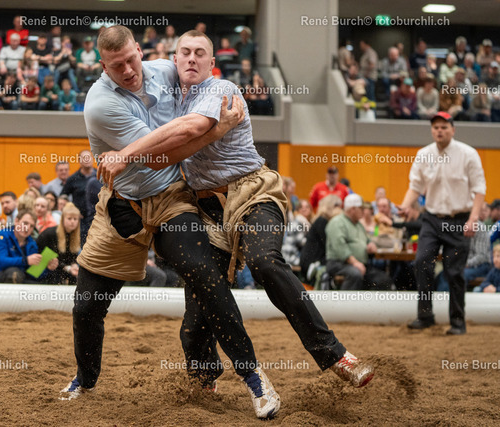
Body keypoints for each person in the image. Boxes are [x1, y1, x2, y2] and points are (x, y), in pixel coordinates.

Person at [98, 30, 375, 396]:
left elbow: (192, 127)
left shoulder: (221, 88)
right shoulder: (169, 104)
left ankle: (337, 355)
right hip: (208, 209)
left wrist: (124, 154)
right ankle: (204, 382)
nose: (192, 58)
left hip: (253, 192)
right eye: (185, 52)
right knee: (200, 302)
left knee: (264, 262)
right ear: (174, 61)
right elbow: (163, 157)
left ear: (212, 63)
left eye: (200, 53)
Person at [60, 26, 280, 420]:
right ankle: (85, 378)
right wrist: (220, 128)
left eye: (131, 59)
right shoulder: (100, 105)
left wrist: (221, 124)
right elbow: (162, 154)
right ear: (103, 67)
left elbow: (196, 105)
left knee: (203, 273)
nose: (128, 70)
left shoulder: (167, 70)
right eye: (117, 66)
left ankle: (253, 377)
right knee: (87, 305)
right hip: (122, 203)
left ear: (140, 50)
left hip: (173, 198)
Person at [399, 112, 486, 335]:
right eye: (436, 127)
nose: (439, 131)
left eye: (444, 127)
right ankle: (425, 316)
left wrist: (473, 219)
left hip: (459, 220)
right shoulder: (423, 154)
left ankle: (457, 322)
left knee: (454, 272)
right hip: (431, 218)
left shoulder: (468, 154)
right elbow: (415, 186)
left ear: (453, 130)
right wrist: (405, 206)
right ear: (432, 130)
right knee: (421, 261)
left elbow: (479, 189)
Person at [325, 194, 393, 291]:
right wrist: (355, 263)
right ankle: (344, 300)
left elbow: (367, 240)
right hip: (339, 264)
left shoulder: (358, 224)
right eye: (361, 208)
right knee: (355, 274)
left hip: (359, 264)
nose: (364, 211)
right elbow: (340, 247)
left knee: (383, 279)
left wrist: (371, 244)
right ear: (353, 209)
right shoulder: (337, 222)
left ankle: (369, 301)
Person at [0, 210, 57, 283]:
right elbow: (1, 262)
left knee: (46, 282)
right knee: (14, 273)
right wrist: (26, 260)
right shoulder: (2, 236)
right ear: (16, 221)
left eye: (31, 226)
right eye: (25, 223)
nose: (27, 228)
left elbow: (32, 275)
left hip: (20, 278)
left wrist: (47, 268)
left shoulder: (32, 243)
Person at [36, 203, 81, 284]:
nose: (72, 222)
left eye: (75, 219)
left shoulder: (76, 236)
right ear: (63, 219)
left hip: (62, 268)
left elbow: (72, 257)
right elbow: (48, 257)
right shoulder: (50, 233)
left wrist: (74, 265)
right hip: (43, 268)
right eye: (69, 218)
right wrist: (67, 268)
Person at [62, 150, 96, 242]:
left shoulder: (100, 175)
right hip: (80, 220)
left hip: (98, 218)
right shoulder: (72, 179)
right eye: (84, 158)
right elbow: (63, 197)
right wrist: (72, 210)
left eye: (89, 157)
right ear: (79, 161)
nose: (87, 160)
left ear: (93, 159)